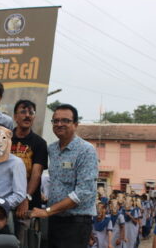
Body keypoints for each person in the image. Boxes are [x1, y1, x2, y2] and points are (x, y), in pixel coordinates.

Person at [30, 104, 98, 248]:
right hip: (54, 221)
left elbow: (83, 192)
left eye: (65, 121)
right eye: (56, 121)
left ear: (75, 124)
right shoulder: (52, 149)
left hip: (76, 223)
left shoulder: (86, 150)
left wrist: (47, 211)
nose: (59, 124)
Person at [10, 100, 48, 245]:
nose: (27, 116)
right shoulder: (5, 138)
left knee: (22, 242)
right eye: (23, 112)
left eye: (31, 112)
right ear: (15, 116)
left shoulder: (39, 143)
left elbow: (36, 174)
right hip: (4, 200)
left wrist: (25, 198)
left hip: (27, 204)